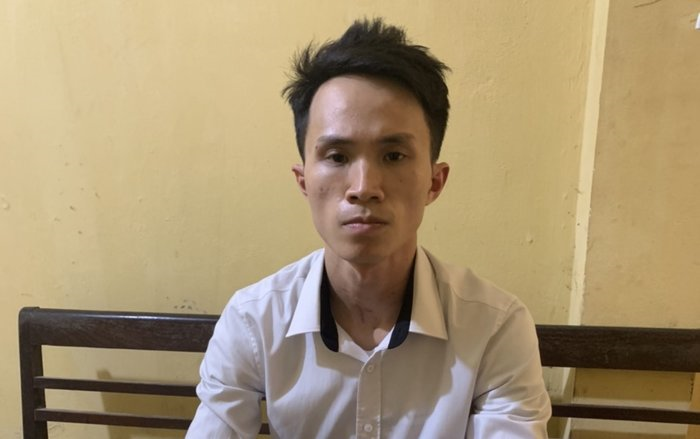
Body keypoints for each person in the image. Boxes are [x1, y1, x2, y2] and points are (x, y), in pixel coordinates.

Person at [187, 18, 551, 438]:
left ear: (435, 182)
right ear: (303, 181)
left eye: (393, 156)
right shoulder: (254, 320)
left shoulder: (494, 326)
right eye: (337, 156)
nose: (363, 188)